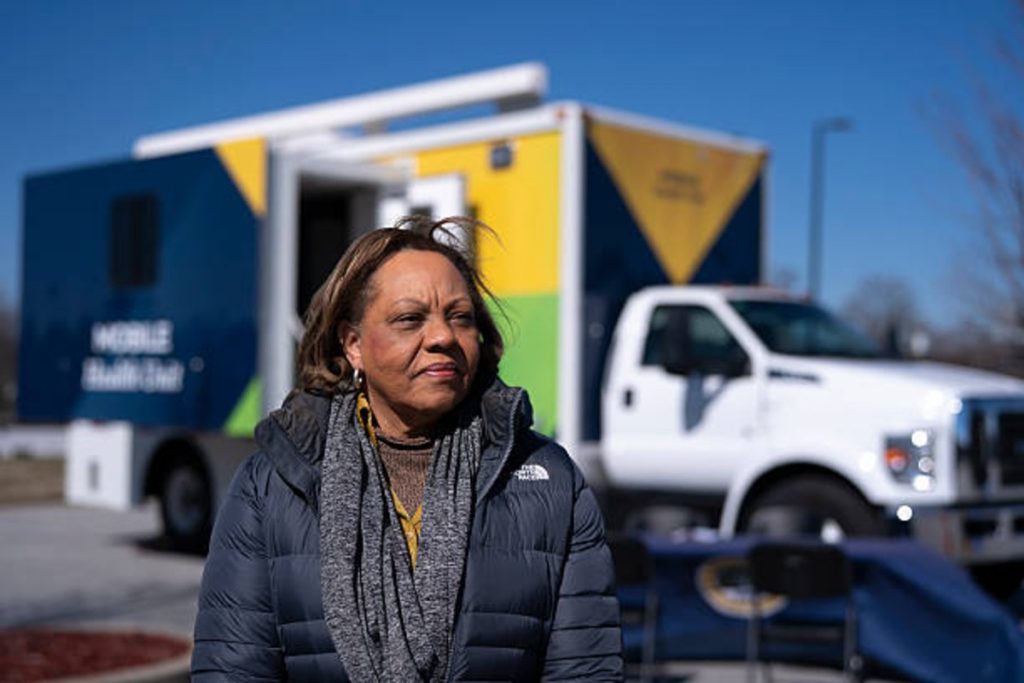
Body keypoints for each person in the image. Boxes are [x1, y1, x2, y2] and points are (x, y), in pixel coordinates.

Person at [190, 216, 623, 682]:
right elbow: (232, 670)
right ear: (353, 344)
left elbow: (586, 671)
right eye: (410, 319)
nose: (443, 337)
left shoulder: (548, 478)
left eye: (460, 317)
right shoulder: (271, 483)